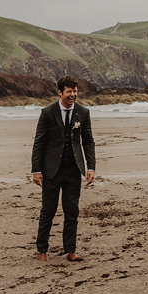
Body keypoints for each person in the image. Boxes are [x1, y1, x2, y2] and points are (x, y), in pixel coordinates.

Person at [31, 75, 96, 262]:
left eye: (75, 91)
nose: (73, 95)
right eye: (69, 91)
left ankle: (71, 251)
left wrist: (90, 166)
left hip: (73, 170)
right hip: (51, 170)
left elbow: (88, 142)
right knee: (48, 210)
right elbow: (39, 143)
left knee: (72, 211)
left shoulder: (83, 113)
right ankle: (42, 249)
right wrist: (36, 170)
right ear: (60, 92)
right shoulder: (47, 113)